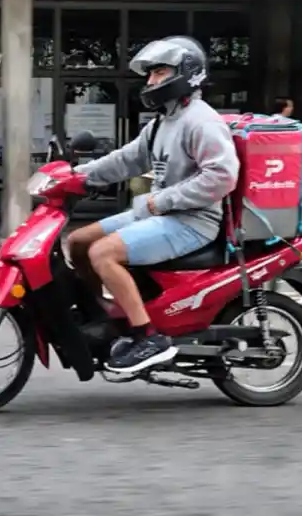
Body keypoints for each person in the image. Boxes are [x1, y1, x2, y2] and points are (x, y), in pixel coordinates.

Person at [66, 36, 240, 374]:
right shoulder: (163, 121)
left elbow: (221, 177)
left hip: (192, 221)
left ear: (185, 72)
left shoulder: (201, 121)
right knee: (78, 241)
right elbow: (127, 159)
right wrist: (77, 176)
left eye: (159, 72)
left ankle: (148, 337)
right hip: (160, 213)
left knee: (103, 253)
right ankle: (100, 316)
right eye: (150, 73)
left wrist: (162, 200)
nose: (150, 80)